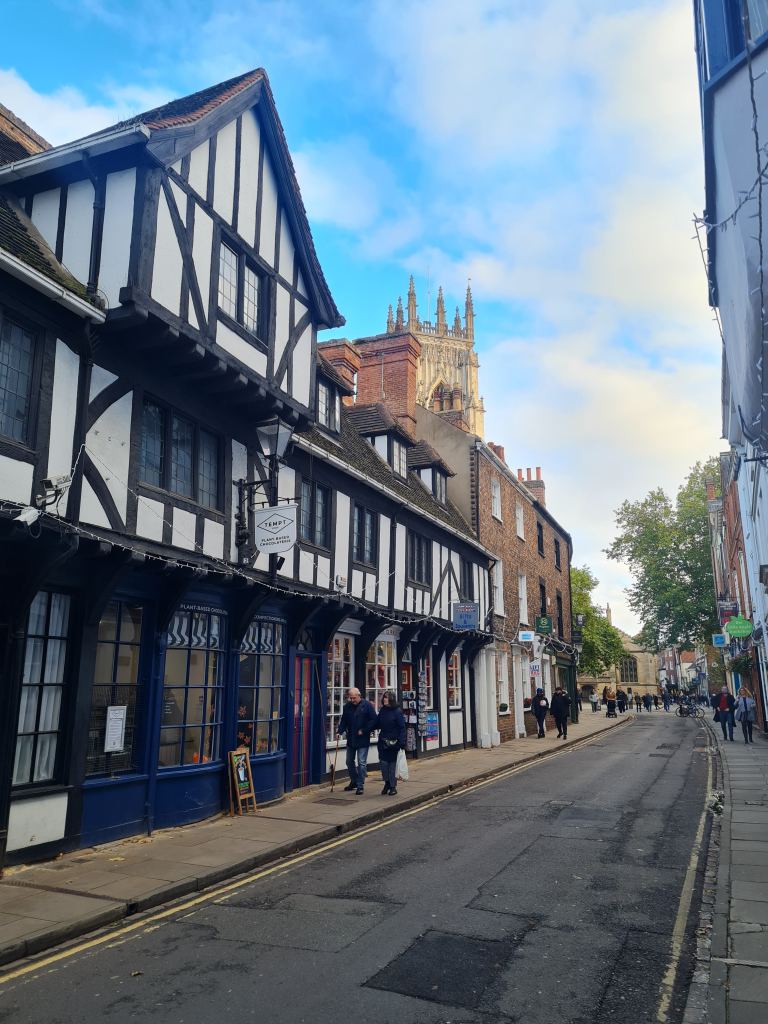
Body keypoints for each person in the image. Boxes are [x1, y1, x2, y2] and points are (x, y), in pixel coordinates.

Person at [337, 687, 377, 794]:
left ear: (359, 696)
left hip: (363, 739)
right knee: (349, 761)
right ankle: (354, 781)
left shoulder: (367, 705)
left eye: (354, 698)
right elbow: (343, 720)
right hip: (351, 738)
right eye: (351, 698)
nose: (352, 700)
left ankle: (360, 785)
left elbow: (374, 721)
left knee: (361, 763)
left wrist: (364, 730)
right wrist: (339, 731)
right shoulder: (347, 707)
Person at [375, 689, 406, 794]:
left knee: (392, 765)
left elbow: (402, 728)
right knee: (383, 765)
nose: (385, 699)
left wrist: (401, 742)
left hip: (394, 742)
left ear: (391, 699)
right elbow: (377, 723)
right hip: (383, 742)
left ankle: (393, 787)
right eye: (384, 697)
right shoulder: (383, 710)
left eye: (387, 697)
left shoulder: (397, 711)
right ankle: (387, 783)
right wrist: (366, 728)